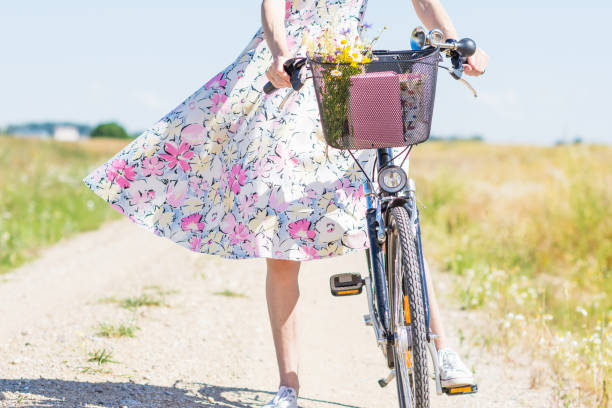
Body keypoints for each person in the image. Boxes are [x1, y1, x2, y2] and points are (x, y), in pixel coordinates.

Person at [81, 0, 488, 407]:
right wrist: (280, 52)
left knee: (397, 201)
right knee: (278, 227)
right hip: (292, 71)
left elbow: (423, 3)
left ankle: (443, 349)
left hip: (350, 68)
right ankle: (288, 387)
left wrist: (456, 43)